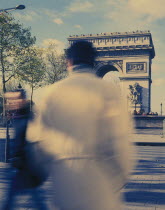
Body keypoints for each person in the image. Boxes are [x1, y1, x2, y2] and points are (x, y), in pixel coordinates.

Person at [27, 40, 135, 210]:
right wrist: (120, 178)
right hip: (101, 187)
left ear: (68, 62)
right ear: (93, 62)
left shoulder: (51, 93)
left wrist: (41, 172)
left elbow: (38, 143)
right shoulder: (109, 92)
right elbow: (121, 142)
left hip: (65, 187)